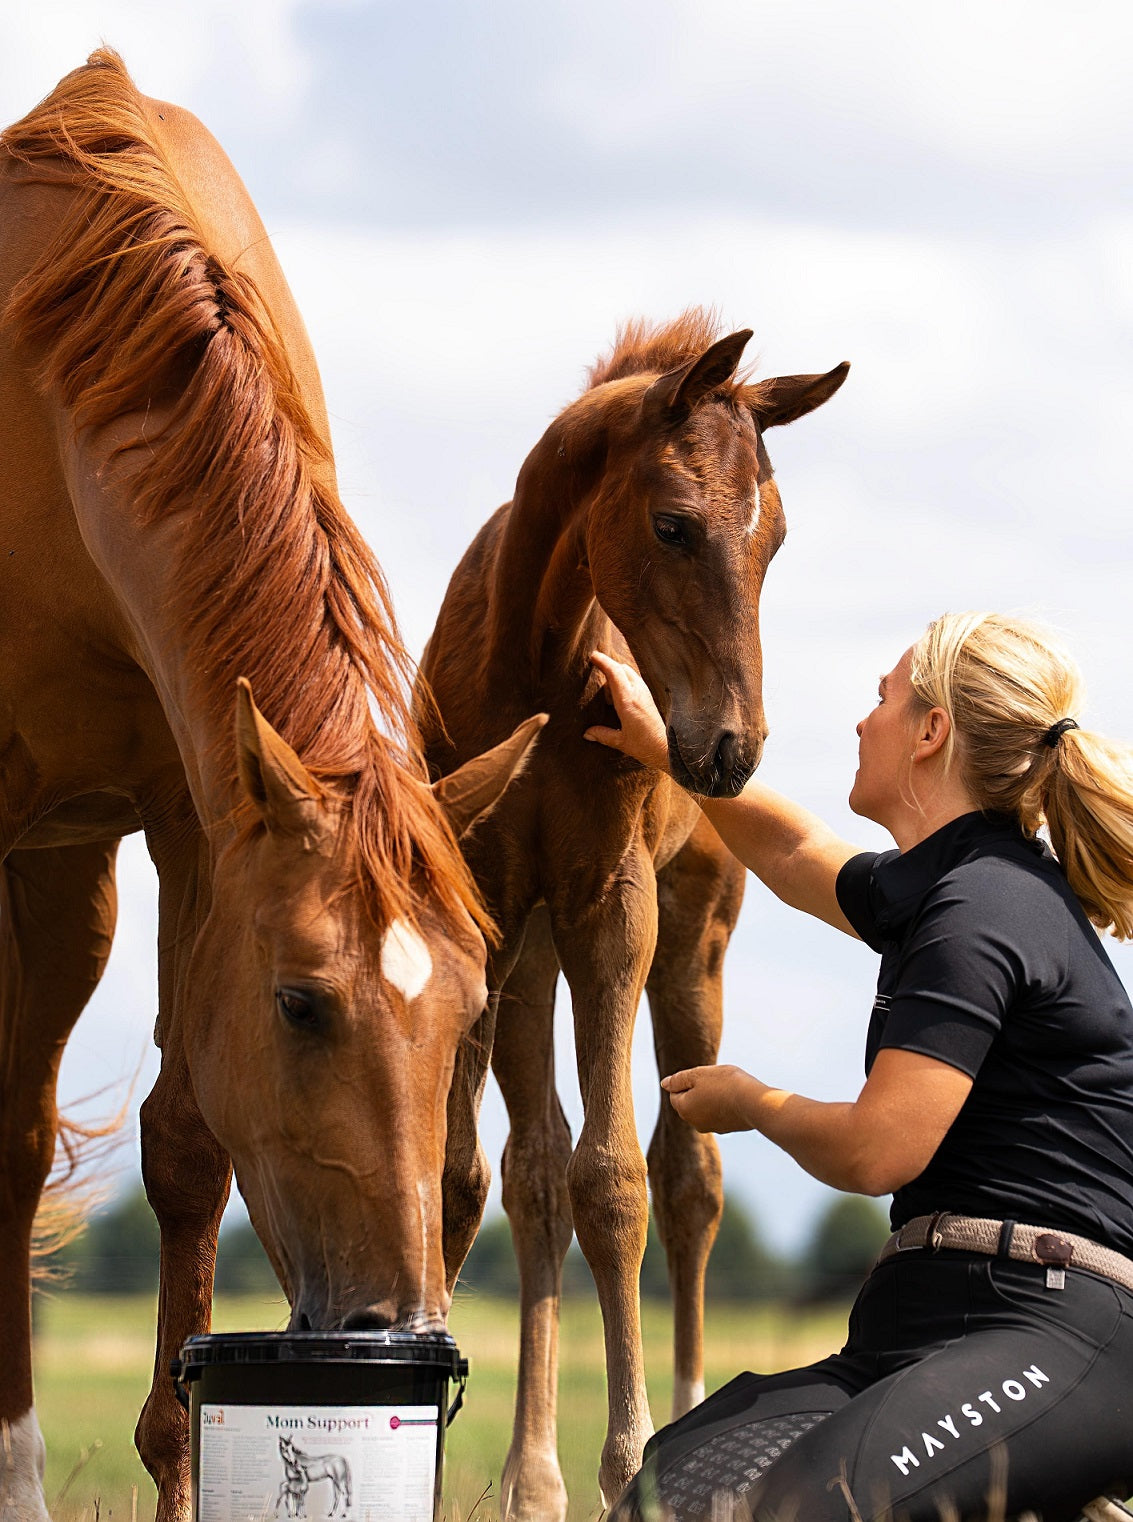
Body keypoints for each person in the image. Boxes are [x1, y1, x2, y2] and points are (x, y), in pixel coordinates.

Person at [584, 612, 1133, 1522]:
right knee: (668, 1492)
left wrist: (753, 1102)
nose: (859, 720)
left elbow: (878, 1150)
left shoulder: (984, 905)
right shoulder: (939, 885)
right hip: (917, 1328)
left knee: (815, 1504)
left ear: (931, 732)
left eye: (882, 697)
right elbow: (794, 852)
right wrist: (664, 752)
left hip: (1049, 1324)